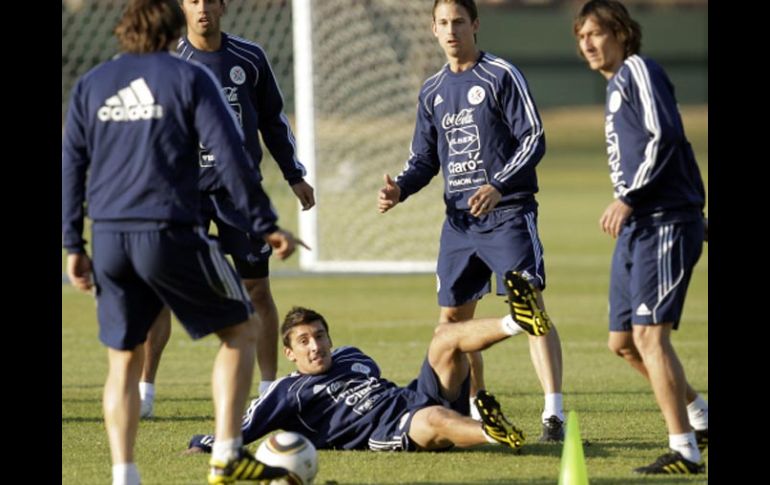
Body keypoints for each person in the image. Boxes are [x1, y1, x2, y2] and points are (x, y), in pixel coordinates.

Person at [61, 1, 303, 483]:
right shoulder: (189, 77)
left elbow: (71, 164)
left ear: (123, 29)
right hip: (167, 229)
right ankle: (227, 457)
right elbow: (231, 155)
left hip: (108, 237)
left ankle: (124, 475)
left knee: (122, 360)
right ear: (173, 27)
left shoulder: (93, 84)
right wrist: (264, 220)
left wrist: (72, 244)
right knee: (241, 330)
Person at [377, 0, 564, 441]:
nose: (451, 30)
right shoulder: (432, 90)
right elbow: (424, 159)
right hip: (460, 225)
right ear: (433, 29)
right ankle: (478, 406)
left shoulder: (500, 75)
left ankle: (553, 414)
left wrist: (498, 184)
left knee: (530, 306)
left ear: (475, 25)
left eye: (459, 21)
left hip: (508, 214)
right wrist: (400, 189)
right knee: (452, 323)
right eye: (443, 23)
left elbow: (533, 137)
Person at [137, 0, 316, 419]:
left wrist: (294, 174)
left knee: (257, 289)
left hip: (239, 194)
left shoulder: (249, 58)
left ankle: (269, 389)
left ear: (223, 7)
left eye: (209, 0)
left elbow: (272, 120)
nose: (202, 8)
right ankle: (144, 390)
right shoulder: (168, 60)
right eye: (193, 1)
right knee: (162, 290)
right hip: (184, 196)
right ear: (183, 8)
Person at [187, 272, 550, 454]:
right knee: (434, 418)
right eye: (304, 341)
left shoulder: (352, 357)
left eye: (320, 336)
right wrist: (203, 443)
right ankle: (490, 431)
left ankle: (518, 321)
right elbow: (243, 428)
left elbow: (374, 380)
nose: (316, 346)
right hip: (390, 428)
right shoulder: (288, 392)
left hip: (411, 396)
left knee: (445, 335)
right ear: (290, 354)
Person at [573, 0, 708, 475]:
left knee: (650, 336)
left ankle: (684, 450)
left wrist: (628, 197)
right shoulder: (615, 87)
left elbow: (664, 135)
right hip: (638, 228)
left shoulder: (638, 71)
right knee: (623, 342)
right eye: (581, 37)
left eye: (596, 33)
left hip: (663, 221)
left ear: (621, 33)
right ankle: (700, 416)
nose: (588, 44)